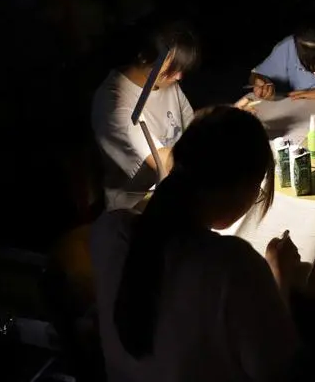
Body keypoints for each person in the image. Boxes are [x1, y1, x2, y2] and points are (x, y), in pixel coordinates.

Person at [91, 106, 301, 382]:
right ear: (242, 190)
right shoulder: (234, 267)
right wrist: (279, 277)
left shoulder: (109, 231)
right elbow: (279, 370)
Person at [91, 20, 199, 211]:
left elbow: (194, 124)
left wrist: (226, 114)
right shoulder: (114, 106)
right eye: (173, 69)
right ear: (143, 57)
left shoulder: (165, 82)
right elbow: (164, 162)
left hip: (182, 184)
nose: (179, 77)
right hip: (137, 209)